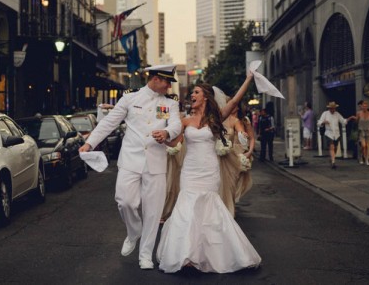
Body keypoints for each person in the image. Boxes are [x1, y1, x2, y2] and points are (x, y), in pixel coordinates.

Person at [78, 64, 182, 270]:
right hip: (130, 161)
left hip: (156, 163)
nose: (169, 87)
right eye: (167, 82)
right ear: (156, 79)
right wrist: (90, 143)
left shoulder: (169, 104)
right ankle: (134, 232)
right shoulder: (130, 98)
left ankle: (145, 255)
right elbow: (109, 123)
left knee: (153, 212)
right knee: (125, 201)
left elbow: (176, 125)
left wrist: (167, 133)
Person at [156, 72, 261, 273]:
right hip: (190, 171)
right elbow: (175, 142)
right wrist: (163, 139)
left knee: (209, 210)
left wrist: (248, 79)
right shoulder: (184, 121)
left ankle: (213, 254)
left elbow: (236, 99)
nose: (192, 95)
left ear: (205, 96)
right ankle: (187, 255)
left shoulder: (216, 118)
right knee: (187, 209)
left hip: (209, 171)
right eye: (192, 93)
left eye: (196, 92)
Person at [219, 99, 253, 217]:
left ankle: (230, 205)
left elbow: (246, 135)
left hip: (234, 154)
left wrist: (248, 148)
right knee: (220, 182)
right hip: (220, 154)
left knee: (232, 182)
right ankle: (221, 206)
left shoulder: (238, 121)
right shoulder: (218, 119)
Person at [316, 101, 350, 169]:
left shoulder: (337, 114)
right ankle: (333, 162)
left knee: (335, 148)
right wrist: (323, 122)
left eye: (334, 108)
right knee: (332, 147)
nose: (333, 110)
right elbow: (319, 122)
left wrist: (349, 119)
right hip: (329, 133)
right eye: (331, 108)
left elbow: (343, 121)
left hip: (336, 134)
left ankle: (332, 158)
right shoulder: (325, 114)